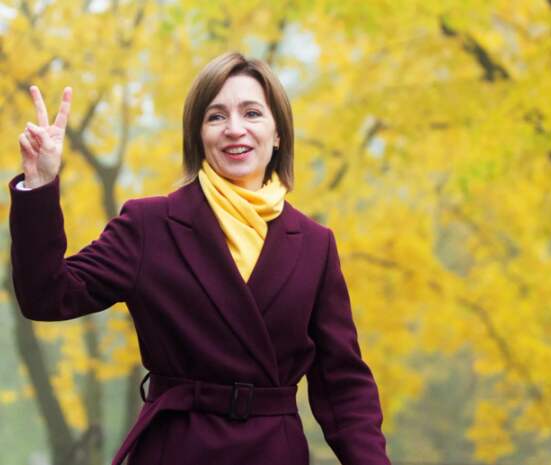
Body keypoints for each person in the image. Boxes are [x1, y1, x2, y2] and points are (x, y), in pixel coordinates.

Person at [9, 51, 391, 465]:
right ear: (199, 135)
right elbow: (47, 296)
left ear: (278, 132)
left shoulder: (315, 245)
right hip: (176, 448)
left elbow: (343, 386)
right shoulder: (149, 224)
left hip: (274, 452)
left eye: (252, 113)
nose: (234, 129)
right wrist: (40, 184)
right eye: (216, 116)